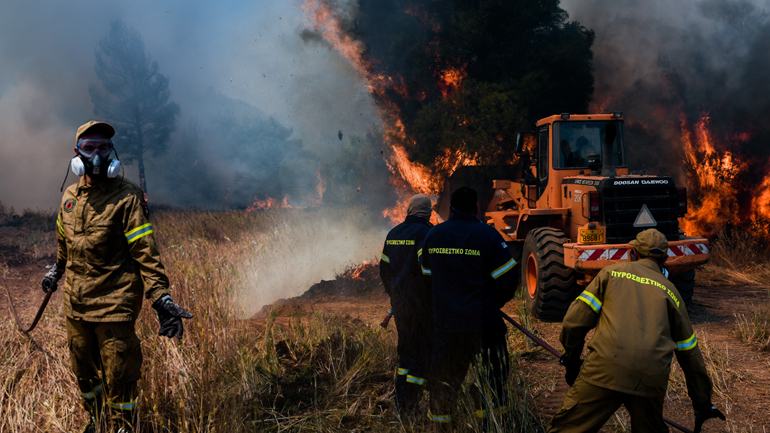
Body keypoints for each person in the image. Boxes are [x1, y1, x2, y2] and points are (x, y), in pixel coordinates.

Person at [42, 120, 193, 433]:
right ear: (76, 154)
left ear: (112, 152)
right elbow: (63, 242)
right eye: (89, 148)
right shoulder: (69, 196)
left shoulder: (127, 197)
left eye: (103, 148)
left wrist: (161, 297)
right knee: (83, 371)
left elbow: (145, 252)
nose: (96, 155)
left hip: (114, 304)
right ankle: (96, 421)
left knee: (119, 374)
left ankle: (123, 426)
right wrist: (56, 271)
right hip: (76, 304)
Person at [548, 228, 725, 433]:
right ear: (665, 258)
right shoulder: (672, 293)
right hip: (650, 379)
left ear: (633, 253)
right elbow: (690, 354)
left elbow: (574, 322)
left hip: (605, 369)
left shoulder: (609, 273)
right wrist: (703, 403)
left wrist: (572, 358)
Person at [419, 186, 519, 428]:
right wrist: (493, 303)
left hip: (446, 326)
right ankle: (493, 426)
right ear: (475, 207)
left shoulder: (433, 236)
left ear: (451, 207)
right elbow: (508, 278)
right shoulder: (488, 235)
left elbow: (425, 276)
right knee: (492, 379)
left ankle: (442, 426)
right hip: (484, 325)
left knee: (445, 379)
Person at [379, 194, 435, 420]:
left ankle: (401, 400)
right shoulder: (426, 234)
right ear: (428, 212)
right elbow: (428, 271)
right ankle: (409, 403)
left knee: (405, 351)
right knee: (421, 354)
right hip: (422, 307)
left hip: (401, 305)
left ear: (409, 209)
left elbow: (384, 270)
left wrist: (395, 294)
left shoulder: (393, 234)